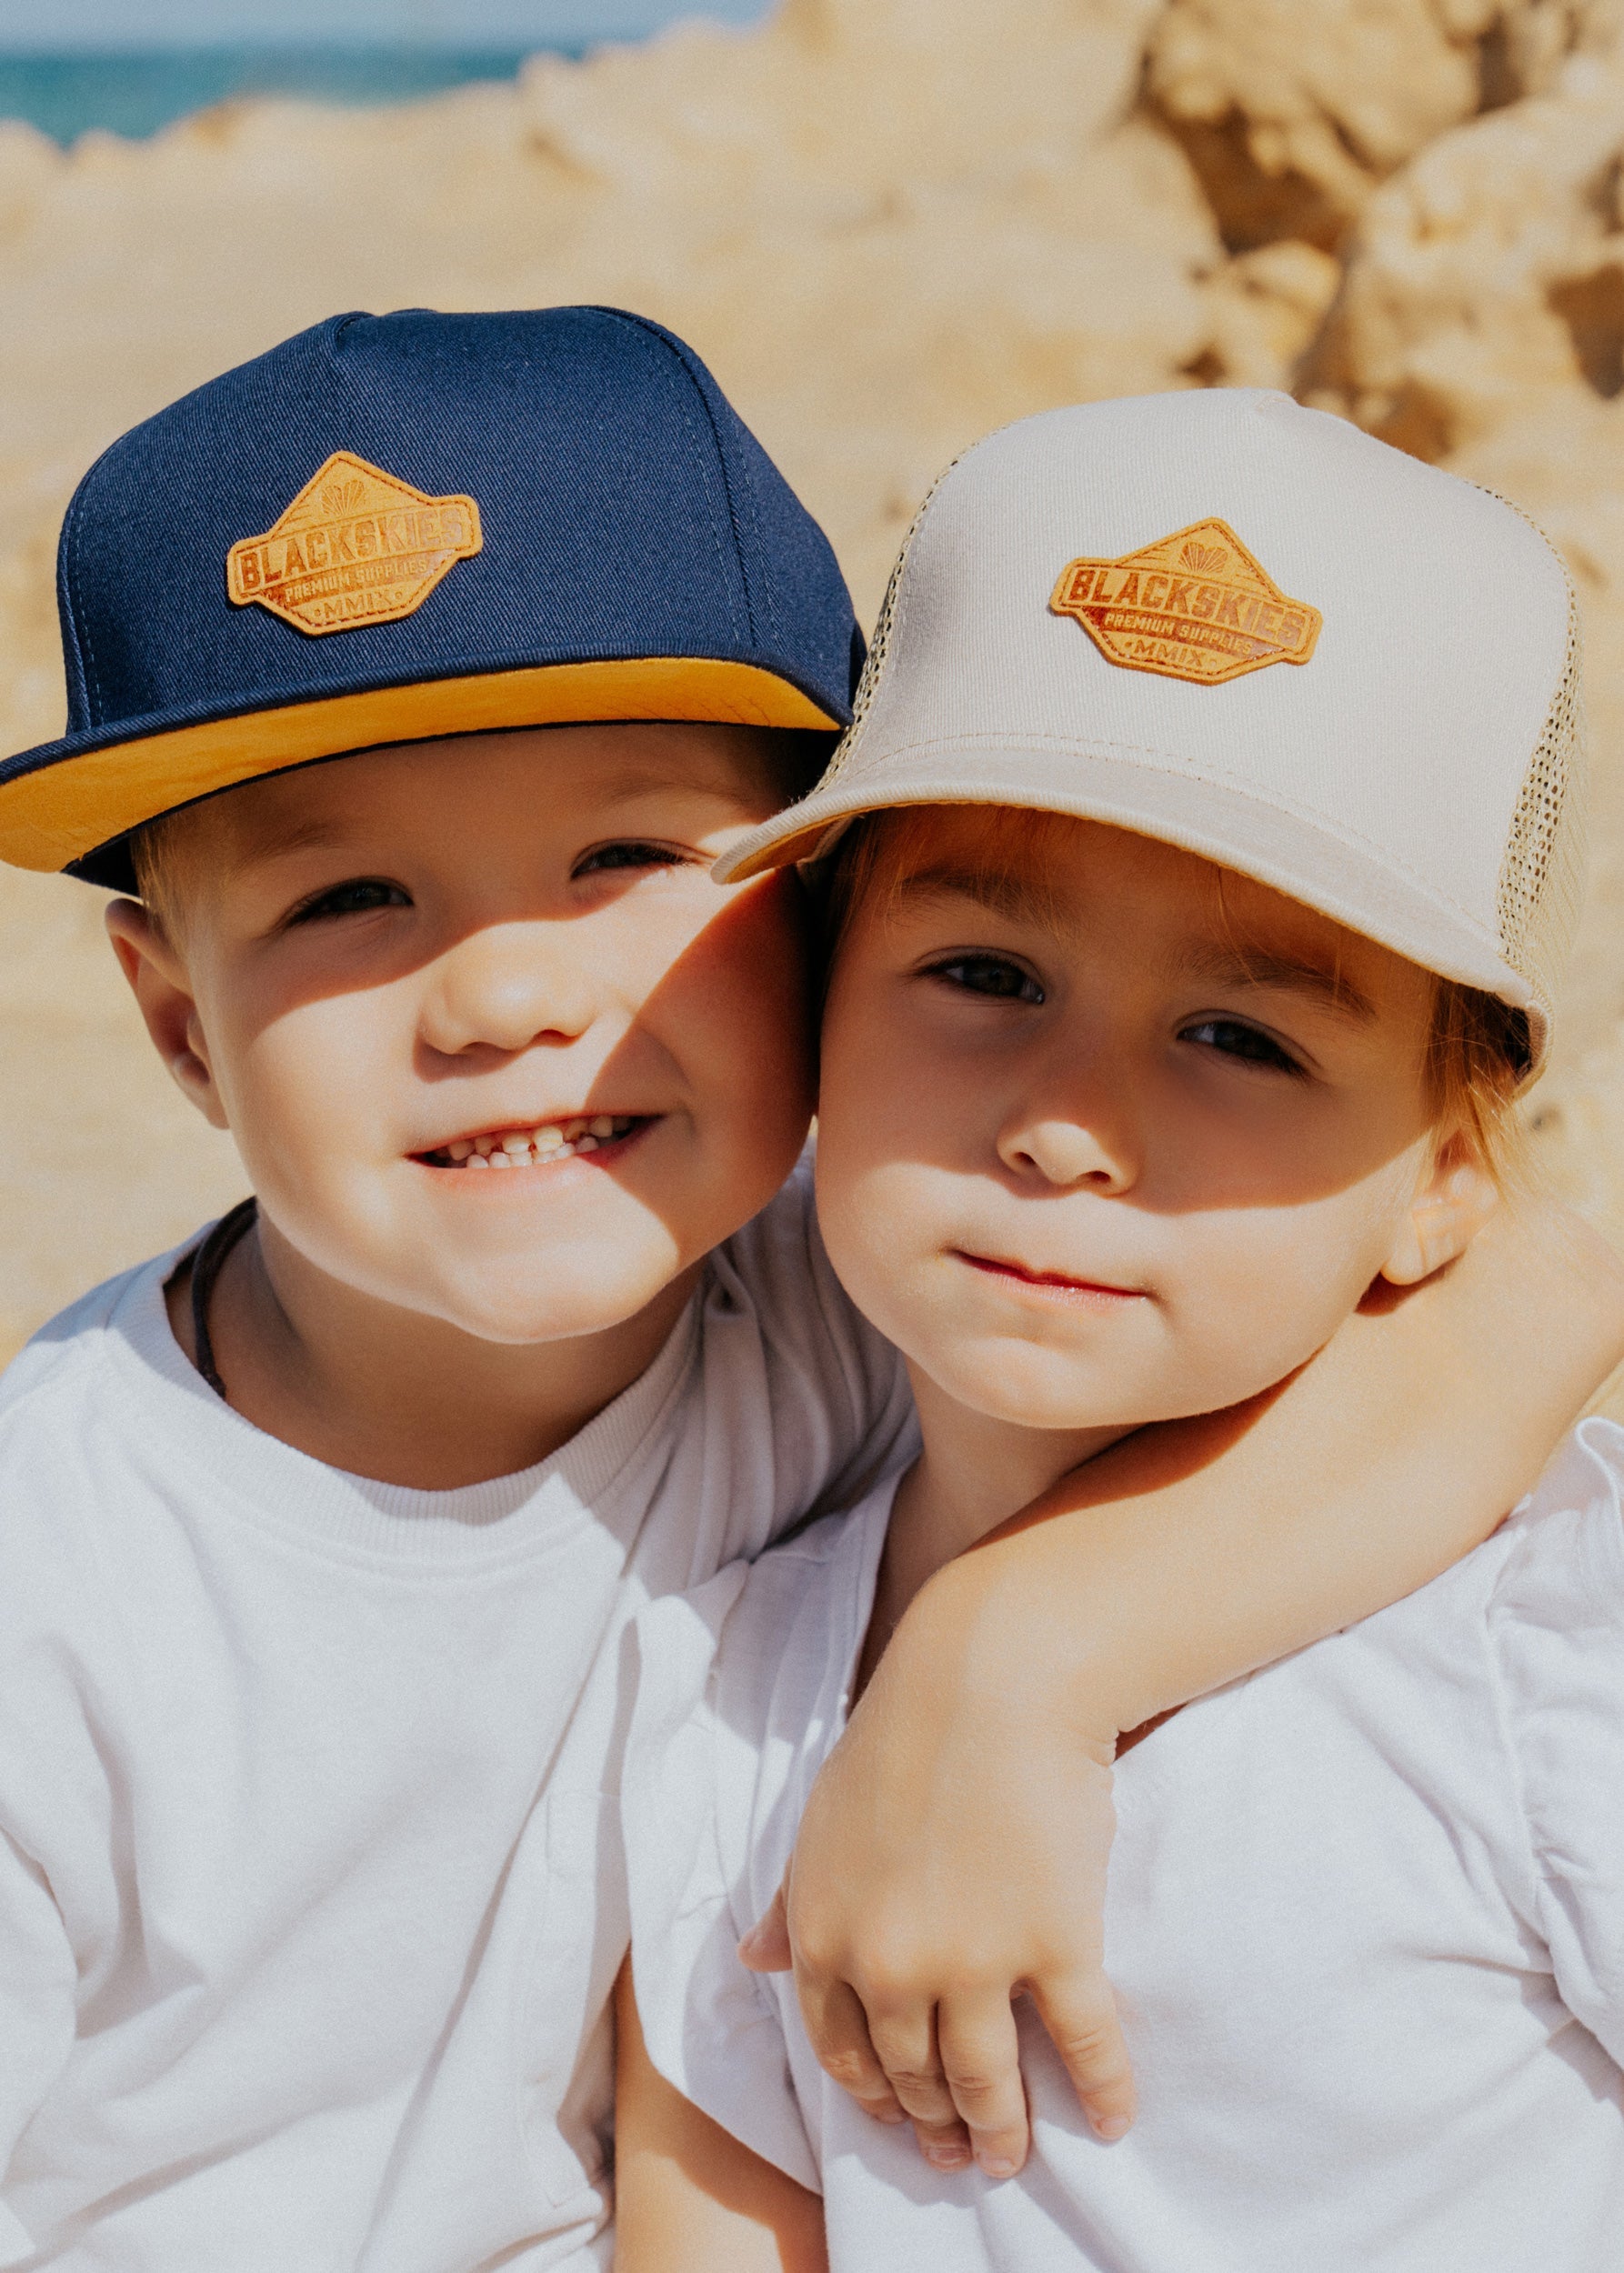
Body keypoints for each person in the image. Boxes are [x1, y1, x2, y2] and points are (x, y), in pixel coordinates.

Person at [0, 319, 1611, 2268]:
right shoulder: (60, 1584)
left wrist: (1023, 1654)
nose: (502, 995)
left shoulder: (901, 1289)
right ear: (177, 1022)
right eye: (345, 898)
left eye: (622, 855)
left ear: (808, 923)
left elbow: (1538, 1272)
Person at [617, 388, 1624, 2273]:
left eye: (1241, 1035)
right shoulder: (716, 1685)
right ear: (817, 996)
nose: (1065, 1123)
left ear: (1441, 1177)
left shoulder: (1544, 1652)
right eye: (982, 972)